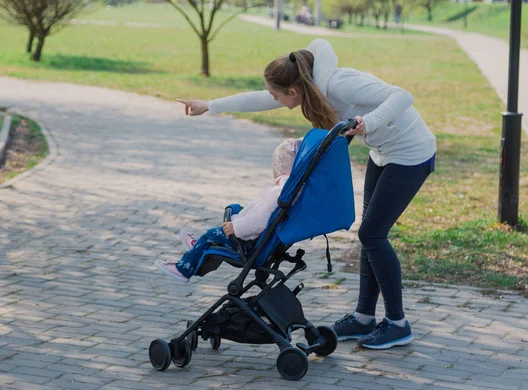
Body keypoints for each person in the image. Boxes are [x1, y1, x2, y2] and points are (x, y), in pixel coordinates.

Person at [175, 38, 436, 350]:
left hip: (411, 153)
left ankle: (397, 324)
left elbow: (402, 96)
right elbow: (260, 98)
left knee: (373, 235)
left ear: (294, 92)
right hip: (383, 153)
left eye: (277, 95)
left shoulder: (340, 84)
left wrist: (369, 122)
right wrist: (211, 105)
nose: (273, 99)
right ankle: (364, 317)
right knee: (370, 236)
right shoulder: (307, 88)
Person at [155, 138, 301, 284]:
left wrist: (236, 228)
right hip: (256, 234)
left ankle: (184, 268)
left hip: (247, 240)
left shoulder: (279, 194)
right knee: (235, 208)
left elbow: (260, 220)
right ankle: (200, 246)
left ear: (282, 168)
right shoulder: (291, 189)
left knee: (210, 234)